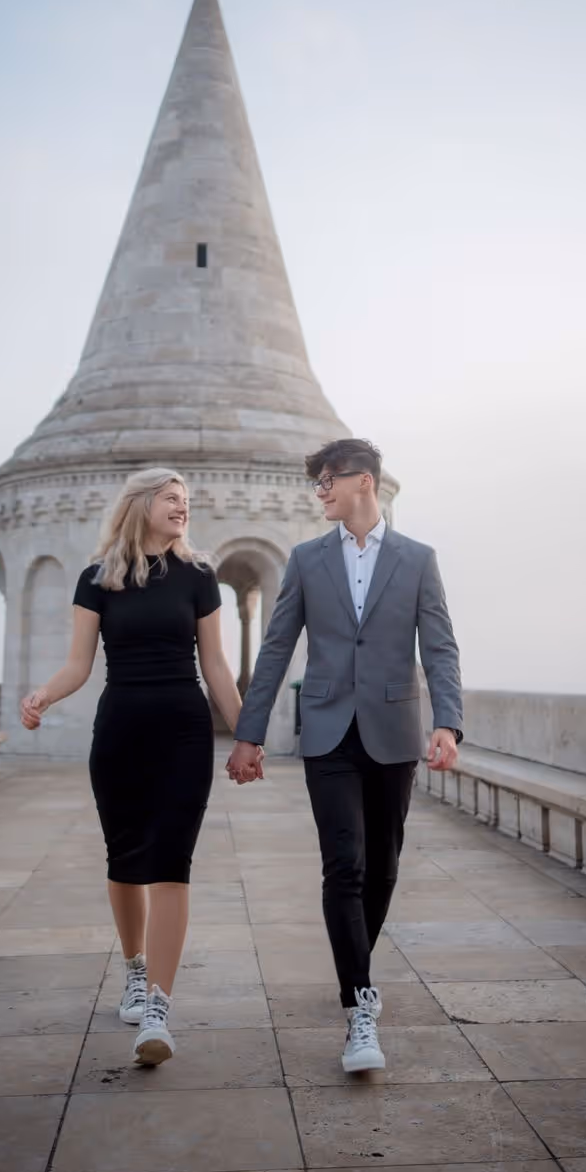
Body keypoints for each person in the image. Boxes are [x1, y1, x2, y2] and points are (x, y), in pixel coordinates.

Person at [227, 439, 462, 1073]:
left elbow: (440, 648)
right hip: (328, 731)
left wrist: (447, 723)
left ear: (365, 482)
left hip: (393, 731)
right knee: (344, 867)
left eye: (329, 479)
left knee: (383, 867)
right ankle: (360, 1006)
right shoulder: (307, 560)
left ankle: (354, 967)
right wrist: (249, 733)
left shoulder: (418, 559)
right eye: (318, 482)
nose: (321, 491)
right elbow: (276, 648)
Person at [21, 468, 246, 1065]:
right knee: (124, 860)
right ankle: (136, 971)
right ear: (141, 504)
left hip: (184, 731)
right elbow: (79, 664)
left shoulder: (199, 576)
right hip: (120, 729)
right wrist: (43, 695)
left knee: (172, 862)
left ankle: (158, 1011)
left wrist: (246, 734)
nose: (182, 507)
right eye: (171, 498)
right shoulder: (98, 578)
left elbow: (216, 665)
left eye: (186, 500)